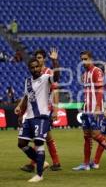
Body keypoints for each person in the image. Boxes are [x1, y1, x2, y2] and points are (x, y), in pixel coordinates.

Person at [15, 48, 59, 182]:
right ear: (29, 69)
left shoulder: (46, 78)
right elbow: (27, 98)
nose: (35, 69)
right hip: (28, 117)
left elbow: (56, 77)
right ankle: (42, 161)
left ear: (40, 67)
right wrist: (20, 114)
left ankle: (39, 175)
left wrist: (54, 61)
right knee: (21, 143)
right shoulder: (27, 81)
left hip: (41, 117)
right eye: (32, 67)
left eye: (37, 67)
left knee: (39, 142)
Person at [72, 51, 106, 171]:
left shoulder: (97, 71)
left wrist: (98, 107)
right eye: (82, 59)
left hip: (94, 110)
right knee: (86, 136)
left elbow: (99, 90)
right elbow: (88, 91)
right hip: (87, 109)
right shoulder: (86, 73)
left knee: (96, 135)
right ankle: (86, 164)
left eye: (86, 59)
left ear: (91, 59)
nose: (83, 61)